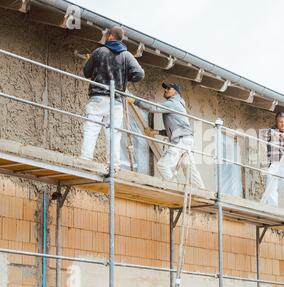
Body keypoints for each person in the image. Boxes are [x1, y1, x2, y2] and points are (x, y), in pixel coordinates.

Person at [80, 26, 145, 166]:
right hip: (116, 101)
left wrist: (92, 63)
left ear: (110, 36)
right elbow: (139, 74)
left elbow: (86, 72)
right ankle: (113, 166)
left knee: (92, 128)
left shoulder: (99, 52)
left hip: (98, 96)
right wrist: (125, 78)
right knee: (114, 134)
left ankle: (85, 160)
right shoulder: (127, 56)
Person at [134, 82, 205, 189]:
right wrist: (156, 132)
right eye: (165, 88)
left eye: (168, 88)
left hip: (181, 140)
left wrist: (136, 101)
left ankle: (174, 187)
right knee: (189, 169)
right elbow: (173, 129)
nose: (165, 90)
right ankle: (202, 192)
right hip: (186, 140)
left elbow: (155, 108)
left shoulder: (174, 103)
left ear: (175, 92)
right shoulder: (178, 104)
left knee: (162, 165)